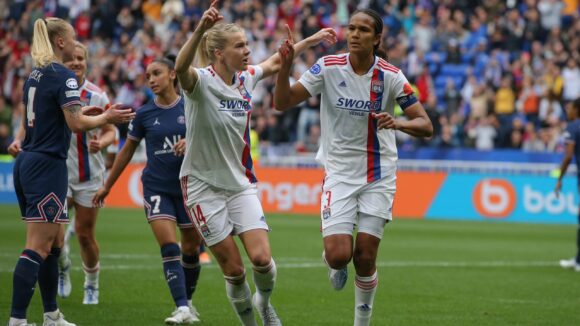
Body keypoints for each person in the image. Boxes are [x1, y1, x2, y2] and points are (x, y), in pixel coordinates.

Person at [174, 1, 336, 325]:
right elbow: (180, 68)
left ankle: (263, 302)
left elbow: (278, 60)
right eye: (240, 46)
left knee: (262, 259)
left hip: (239, 184)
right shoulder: (201, 83)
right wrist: (200, 29)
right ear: (219, 53)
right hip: (202, 187)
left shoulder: (245, 77)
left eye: (247, 44)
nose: (247, 50)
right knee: (234, 271)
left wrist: (310, 40)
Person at [274, 9, 433, 326]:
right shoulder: (328, 67)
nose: (355, 34)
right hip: (340, 173)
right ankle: (333, 262)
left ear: (377, 39)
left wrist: (398, 122)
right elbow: (282, 102)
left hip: (379, 174)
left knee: (365, 257)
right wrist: (285, 67)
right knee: (339, 255)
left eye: (363, 30)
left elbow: (426, 125)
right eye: (352, 28)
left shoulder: (390, 76)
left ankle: (362, 320)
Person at [7, 17, 134, 326]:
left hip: (27, 161)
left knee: (53, 246)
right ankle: (18, 320)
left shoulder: (34, 74)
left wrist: (86, 113)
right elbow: (76, 124)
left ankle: (51, 315)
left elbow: (56, 117)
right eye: (73, 38)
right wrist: (106, 118)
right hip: (48, 165)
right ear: (61, 42)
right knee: (37, 246)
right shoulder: (63, 76)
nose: (78, 43)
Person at [92, 55, 203, 324]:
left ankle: (187, 302)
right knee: (168, 246)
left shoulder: (193, 106)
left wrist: (192, 140)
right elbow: (126, 152)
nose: (151, 80)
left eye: (157, 73)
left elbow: (213, 136)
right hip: (156, 187)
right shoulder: (144, 114)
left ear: (173, 74)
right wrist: (107, 185)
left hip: (190, 187)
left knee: (191, 249)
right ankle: (182, 308)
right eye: (148, 76)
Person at [56, 41, 116, 305]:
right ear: (62, 62)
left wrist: (101, 143)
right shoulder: (54, 90)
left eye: (80, 58)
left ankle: (92, 284)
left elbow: (112, 130)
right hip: (59, 174)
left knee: (84, 234)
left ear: (86, 62)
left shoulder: (97, 95)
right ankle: (63, 267)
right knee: (55, 236)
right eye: (71, 59)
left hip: (90, 176)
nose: (76, 63)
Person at [554, 97, 580, 272]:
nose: (568, 111)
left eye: (570, 108)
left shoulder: (573, 127)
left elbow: (568, 156)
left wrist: (559, 177)